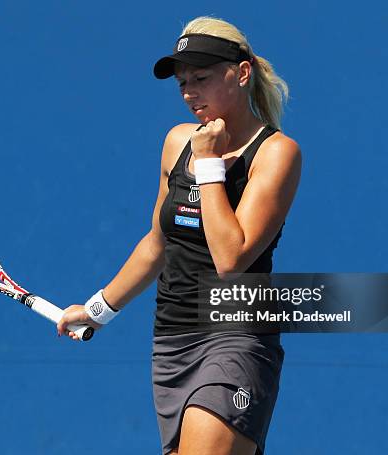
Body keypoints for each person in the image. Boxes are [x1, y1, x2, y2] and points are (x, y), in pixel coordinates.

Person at [57, 16, 301, 455]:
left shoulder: (277, 153)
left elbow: (232, 258)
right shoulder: (176, 142)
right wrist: (97, 310)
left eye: (202, 78)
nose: (190, 92)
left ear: (242, 73)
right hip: (171, 343)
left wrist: (209, 166)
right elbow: (157, 244)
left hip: (236, 338)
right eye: (183, 82)